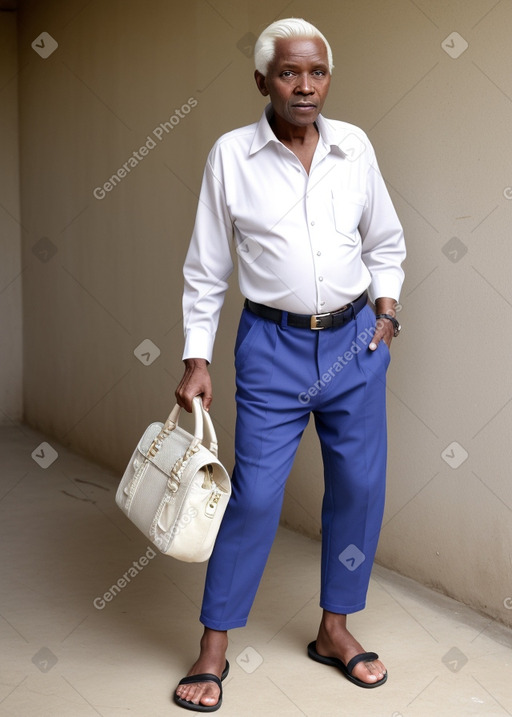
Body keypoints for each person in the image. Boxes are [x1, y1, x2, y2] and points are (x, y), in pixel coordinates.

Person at [174, 17, 405, 712]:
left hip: (354, 340)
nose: (305, 87)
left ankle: (335, 628)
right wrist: (195, 358)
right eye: (288, 73)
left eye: (317, 73)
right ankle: (213, 646)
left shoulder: (355, 147)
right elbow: (206, 269)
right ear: (261, 81)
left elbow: (386, 240)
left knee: (359, 489)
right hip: (271, 347)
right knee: (254, 496)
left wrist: (386, 315)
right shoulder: (232, 156)